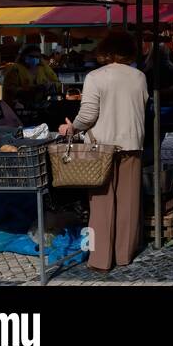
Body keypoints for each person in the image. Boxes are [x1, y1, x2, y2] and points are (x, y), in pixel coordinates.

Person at [58, 29, 148, 273]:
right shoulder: (139, 76)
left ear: (105, 51)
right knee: (129, 203)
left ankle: (99, 259)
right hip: (131, 144)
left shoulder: (95, 77)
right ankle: (123, 255)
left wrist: (71, 128)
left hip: (100, 148)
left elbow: (88, 115)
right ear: (129, 51)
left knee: (100, 204)